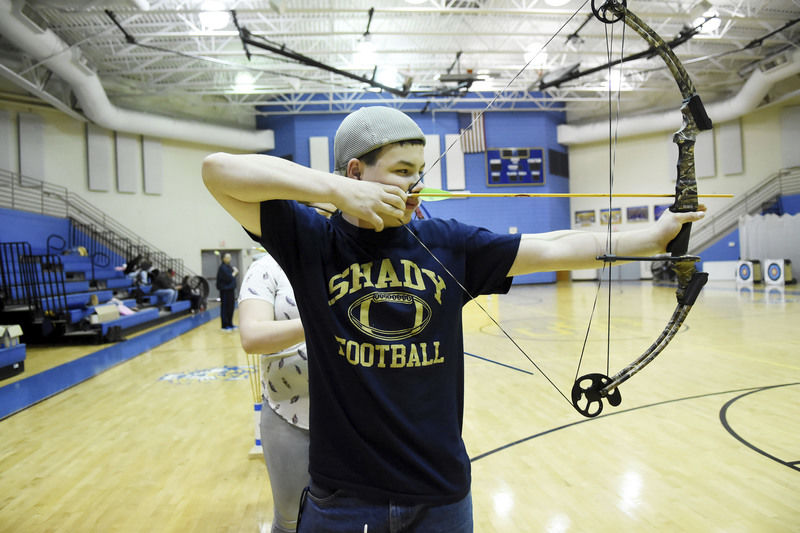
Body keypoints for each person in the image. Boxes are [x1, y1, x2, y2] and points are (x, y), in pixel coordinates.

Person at [202, 105, 705, 532]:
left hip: (439, 497)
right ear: (355, 172)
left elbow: (556, 246)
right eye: (400, 171)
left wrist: (651, 240)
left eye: (418, 171)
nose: (414, 184)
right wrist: (336, 194)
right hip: (345, 500)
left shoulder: (447, 242)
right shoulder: (313, 241)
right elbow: (216, 170)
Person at [239, 253, 309, 533]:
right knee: (291, 518)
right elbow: (251, 336)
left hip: (350, 416)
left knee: (350, 515)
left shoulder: (344, 258)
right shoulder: (266, 268)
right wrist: (319, 321)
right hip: (288, 416)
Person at [216, 253, 238, 330]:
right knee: (225, 308)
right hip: (225, 290)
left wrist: (235, 273)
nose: (230, 259)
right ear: (223, 258)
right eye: (228, 257)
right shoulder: (222, 268)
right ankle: (224, 325)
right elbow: (229, 277)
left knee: (231, 307)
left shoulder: (229, 267)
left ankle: (230, 323)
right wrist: (235, 272)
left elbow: (232, 276)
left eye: (230, 257)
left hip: (231, 289)